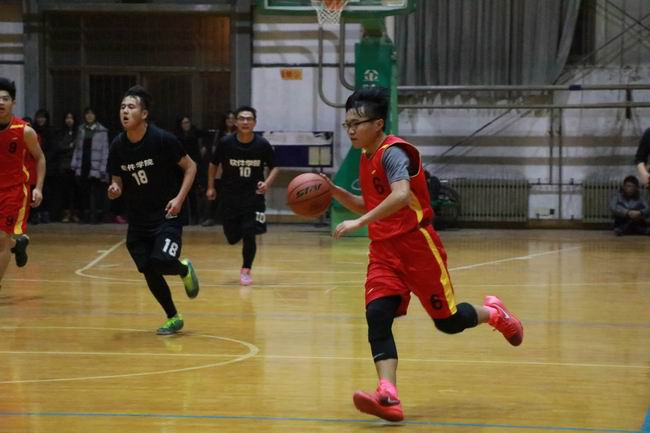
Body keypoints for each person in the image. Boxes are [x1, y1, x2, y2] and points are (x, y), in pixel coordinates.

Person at [324, 87, 523, 422]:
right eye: (347, 124)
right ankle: (388, 394)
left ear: (378, 123)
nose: (351, 130)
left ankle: (494, 313)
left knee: (448, 323)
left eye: (357, 123)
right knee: (377, 314)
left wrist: (360, 221)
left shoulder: (392, 154)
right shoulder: (365, 156)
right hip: (384, 251)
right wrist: (334, 191)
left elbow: (401, 196)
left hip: (417, 247)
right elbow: (368, 204)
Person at [107, 85, 200, 335]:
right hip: (138, 220)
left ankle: (183, 269)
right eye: (122, 107)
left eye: (131, 107)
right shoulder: (118, 145)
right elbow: (117, 181)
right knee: (149, 268)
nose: (125, 111)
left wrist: (179, 199)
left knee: (162, 261)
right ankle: (173, 317)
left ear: (144, 114)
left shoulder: (162, 139)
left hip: (168, 214)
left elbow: (191, 167)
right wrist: (114, 189)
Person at [206, 106, 279, 286]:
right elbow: (213, 164)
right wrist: (211, 187)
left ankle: (246, 269)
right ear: (236, 122)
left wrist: (267, 183)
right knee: (232, 237)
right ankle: (238, 232)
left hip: (253, 197)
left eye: (249, 119)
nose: (245, 122)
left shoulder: (262, 144)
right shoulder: (225, 143)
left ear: (254, 123)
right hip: (230, 195)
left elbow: (275, 166)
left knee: (249, 233)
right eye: (242, 118)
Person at [0, 77, 45, 289]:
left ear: (13, 103)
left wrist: (39, 188)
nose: (0, 102)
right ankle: (17, 243)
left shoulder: (24, 131)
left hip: (13, 192)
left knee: (1, 239)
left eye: (5, 98)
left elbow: (40, 158)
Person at [71, 107, 109, 224]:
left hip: (96, 165)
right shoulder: (81, 129)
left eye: (92, 114)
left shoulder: (102, 131)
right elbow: (77, 148)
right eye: (87, 114)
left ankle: (94, 216)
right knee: (84, 191)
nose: (89, 116)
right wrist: (74, 164)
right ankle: (85, 216)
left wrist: (103, 167)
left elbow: (105, 150)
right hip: (83, 163)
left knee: (95, 192)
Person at [201, 110, 237, 227]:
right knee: (215, 191)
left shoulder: (238, 133)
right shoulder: (218, 133)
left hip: (234, 166)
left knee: (232, 194)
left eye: (232, 118)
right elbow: (214, 150)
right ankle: (210, 217)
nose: (230, 121)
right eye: (228, 118)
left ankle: (230, 218)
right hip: (220, 166)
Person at [174, 116, 204, 225]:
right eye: (184, 123)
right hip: (180, 167)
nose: (186, 125)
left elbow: (197, 152)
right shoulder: (177, 138)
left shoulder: (194, 136)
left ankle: (195, 217)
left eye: (187, 122)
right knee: (181, 193)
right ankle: (183, 218)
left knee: (192, 194)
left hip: (193, 166)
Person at [56, 112, 80, 222]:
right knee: (65, 191)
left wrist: (70, 146)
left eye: (71, 118)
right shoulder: (61, 132)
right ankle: (66, 214)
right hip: (64, 165)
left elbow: (78, 147)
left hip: (75, 165)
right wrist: (69, 146)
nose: (69, 120)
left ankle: (75, 213)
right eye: (67, 118)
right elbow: (59, 146)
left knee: (76, 191)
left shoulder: (78, 132)